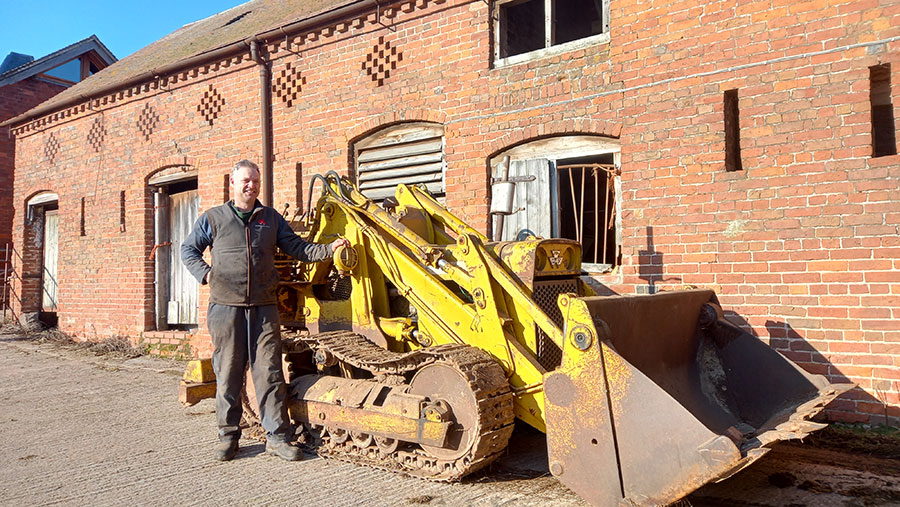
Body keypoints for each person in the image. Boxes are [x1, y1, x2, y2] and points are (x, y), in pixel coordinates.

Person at [181, 159, 348, 462]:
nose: (251, 185)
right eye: (245, 180)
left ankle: (278, 438)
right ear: (232, 184)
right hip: (225, 308)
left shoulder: (270, 219)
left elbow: (297, 247)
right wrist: (205, 274)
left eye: (255, 181)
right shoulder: (214, 218)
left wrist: (328, 249)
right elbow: (188, 249)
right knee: (228, 373)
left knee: (269, 373)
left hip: (263, 308)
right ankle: (228, 437)